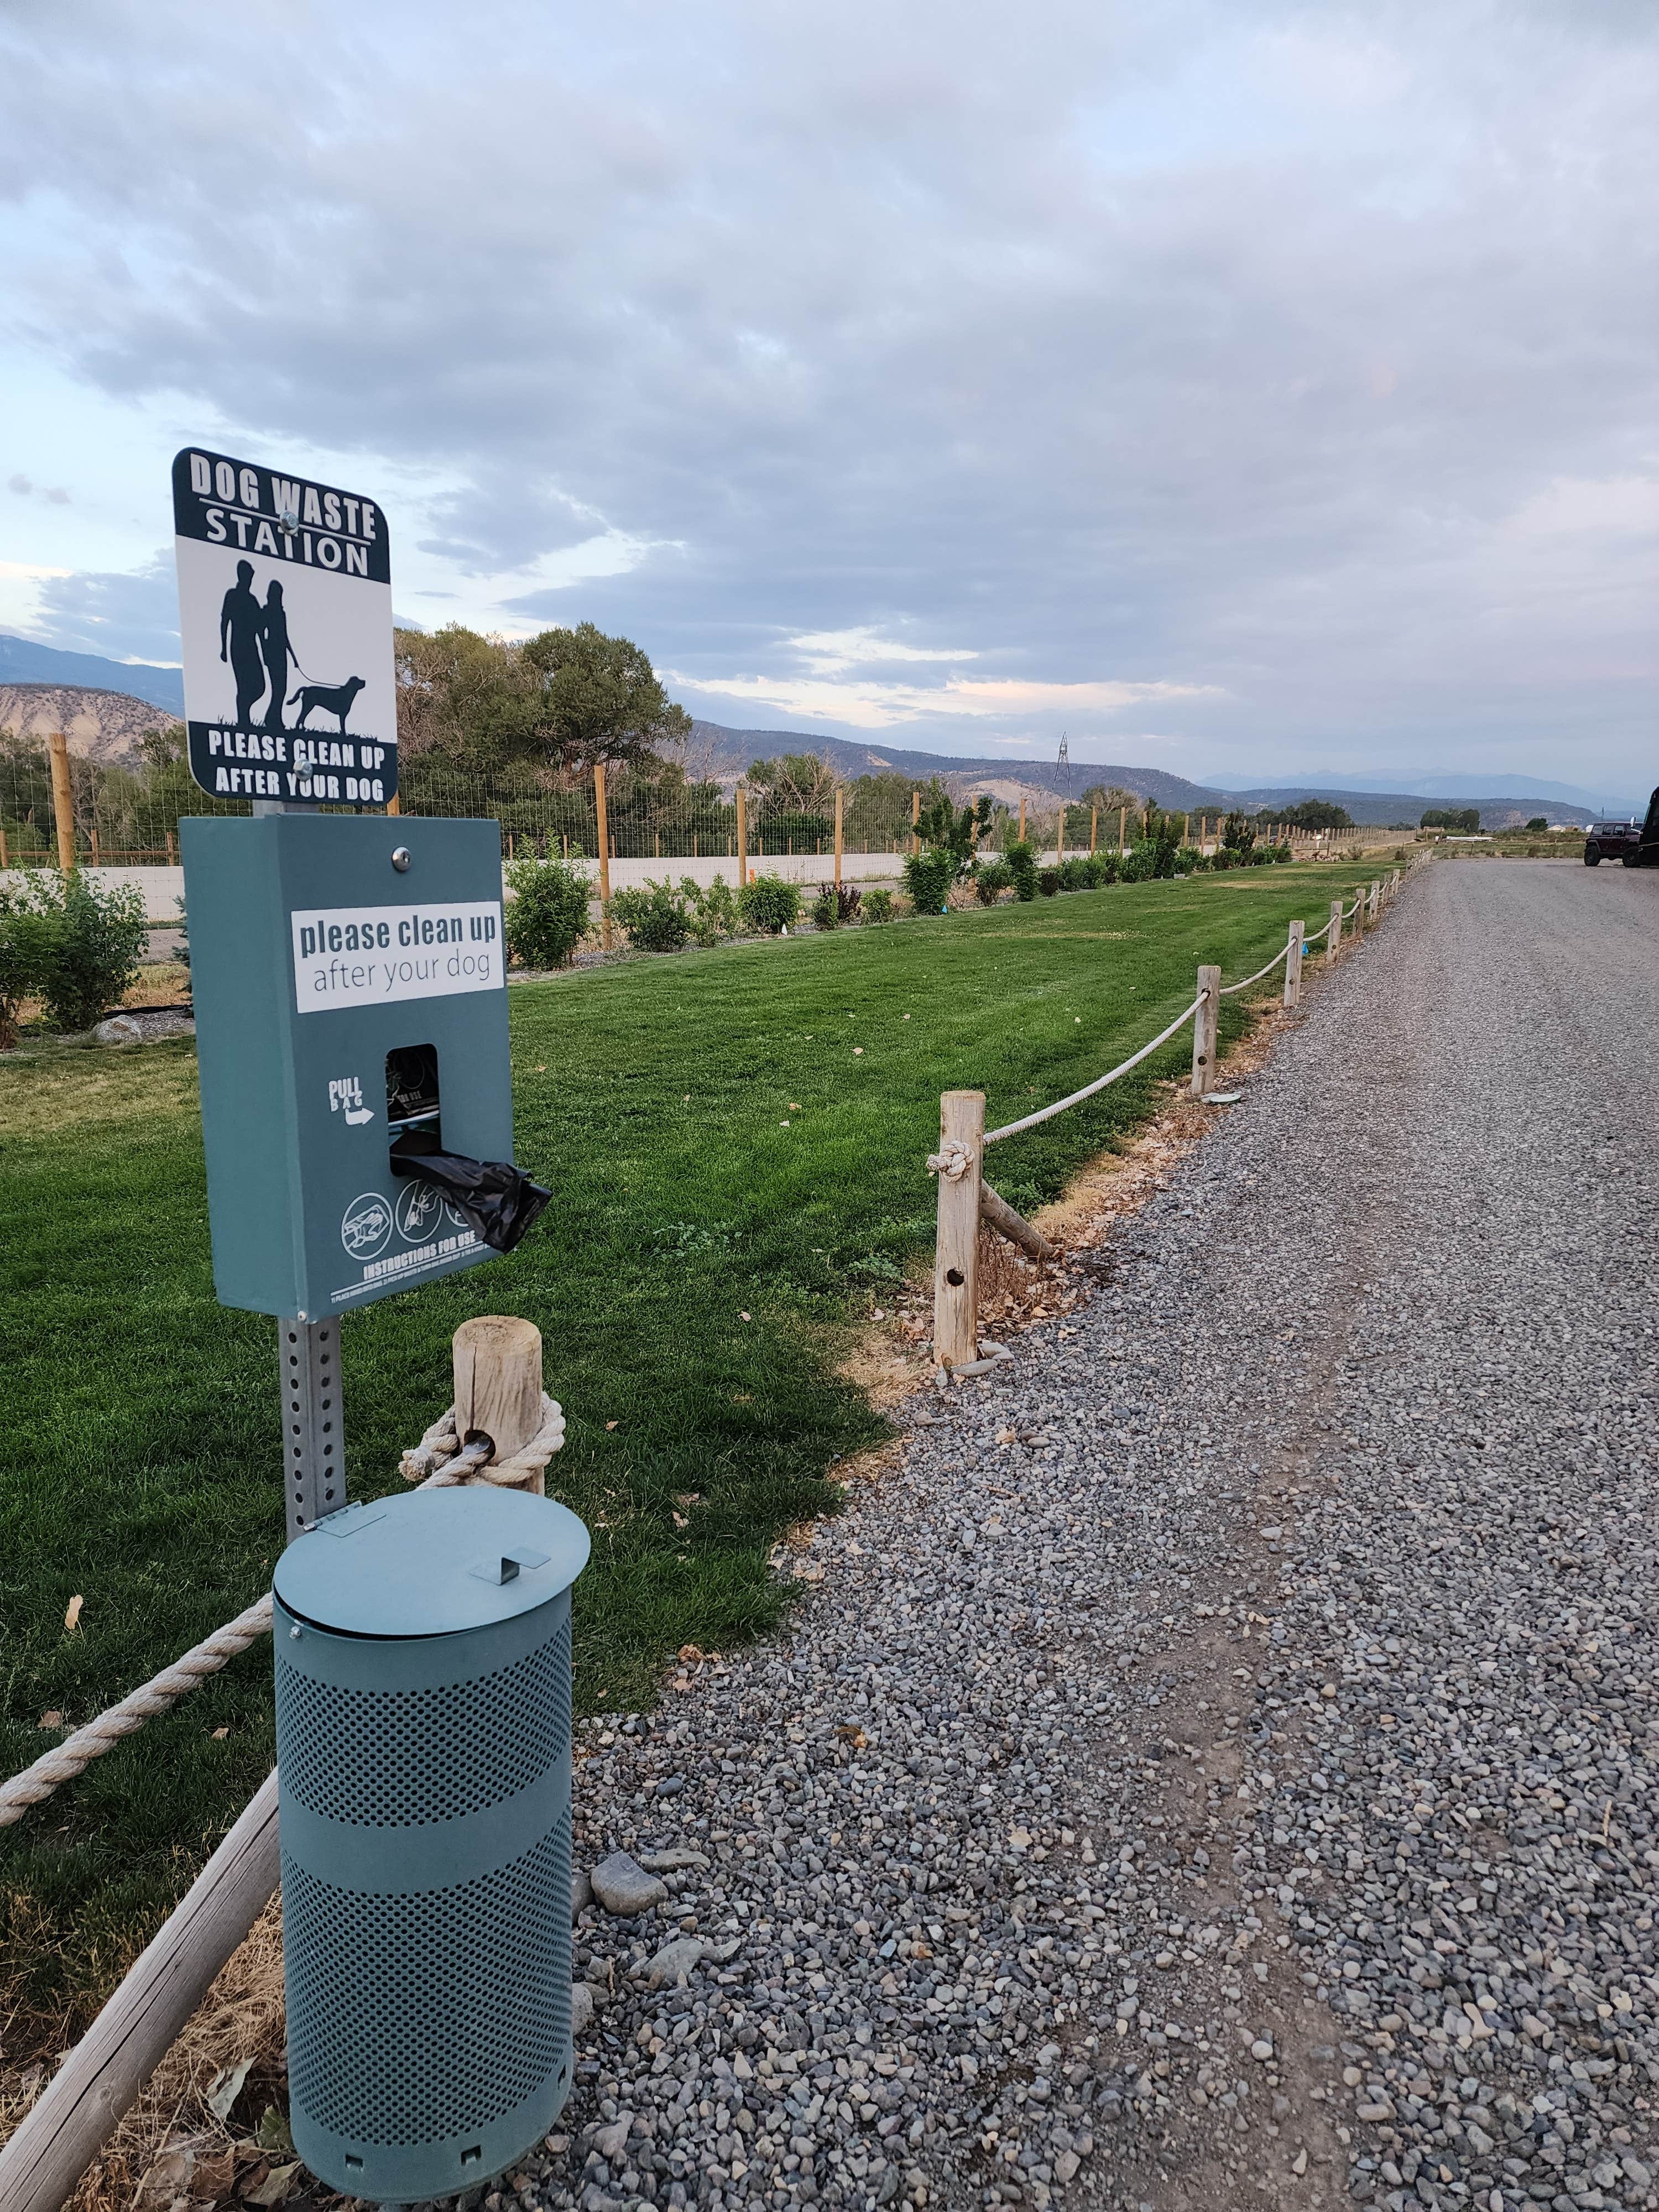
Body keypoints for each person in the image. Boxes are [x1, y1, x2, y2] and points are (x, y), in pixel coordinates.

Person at [218, 559, 265, 727]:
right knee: (243, 685)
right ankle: (243, 720)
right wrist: (223, 647)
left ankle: (244, 717)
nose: (250, 579)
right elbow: (225, 621)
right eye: (249, 576)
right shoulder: (232, 595)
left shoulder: (253, 600)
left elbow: (259, 628)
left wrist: (265, 650)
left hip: (252, 647)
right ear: (243, 576)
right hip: (238, 646)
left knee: (260, 686)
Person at [259, 580, 295, 732]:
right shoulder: (267, 611)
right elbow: (261, 633)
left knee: (283, 689)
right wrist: (265, 652)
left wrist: (293, 656)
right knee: (277, 688)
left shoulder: (282, 613)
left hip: (282, 653)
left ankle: (276, 718)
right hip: (273, 653)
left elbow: (285, 635)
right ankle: (271, 719)